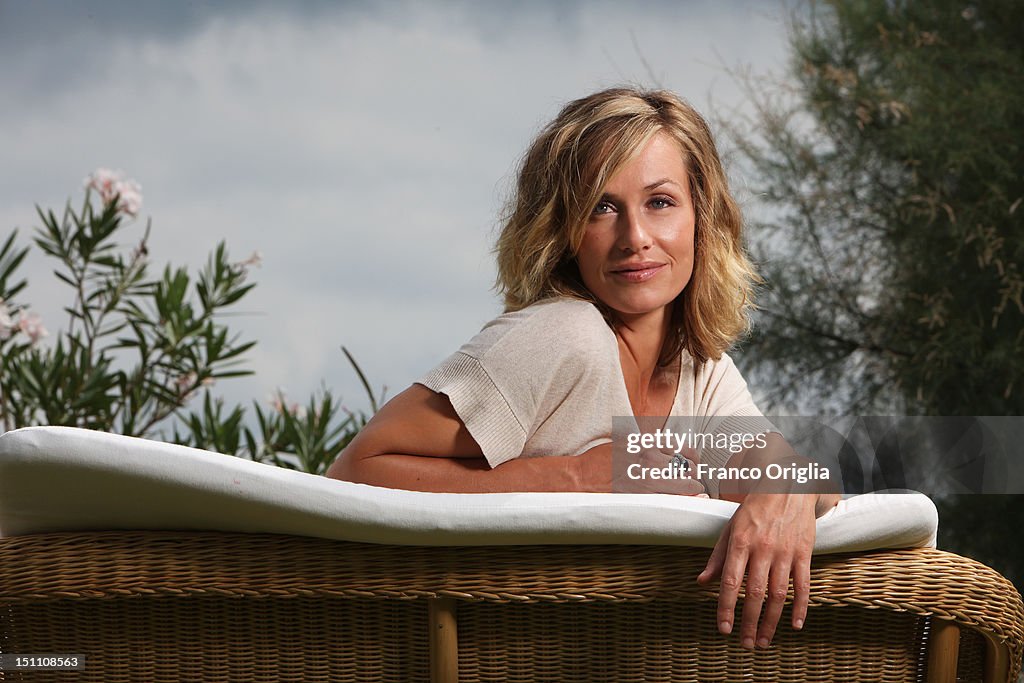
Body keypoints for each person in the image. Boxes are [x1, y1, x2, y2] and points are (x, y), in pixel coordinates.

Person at [326, 86, 840, 650]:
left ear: (703, 216)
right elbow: (354, 472)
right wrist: (577, 477)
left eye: (660, 202)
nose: (635, 238)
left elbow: (782, 466)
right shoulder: (563, 336)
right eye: (602, 207)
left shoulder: (702, 369)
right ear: (564, 231)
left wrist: (789, 482)